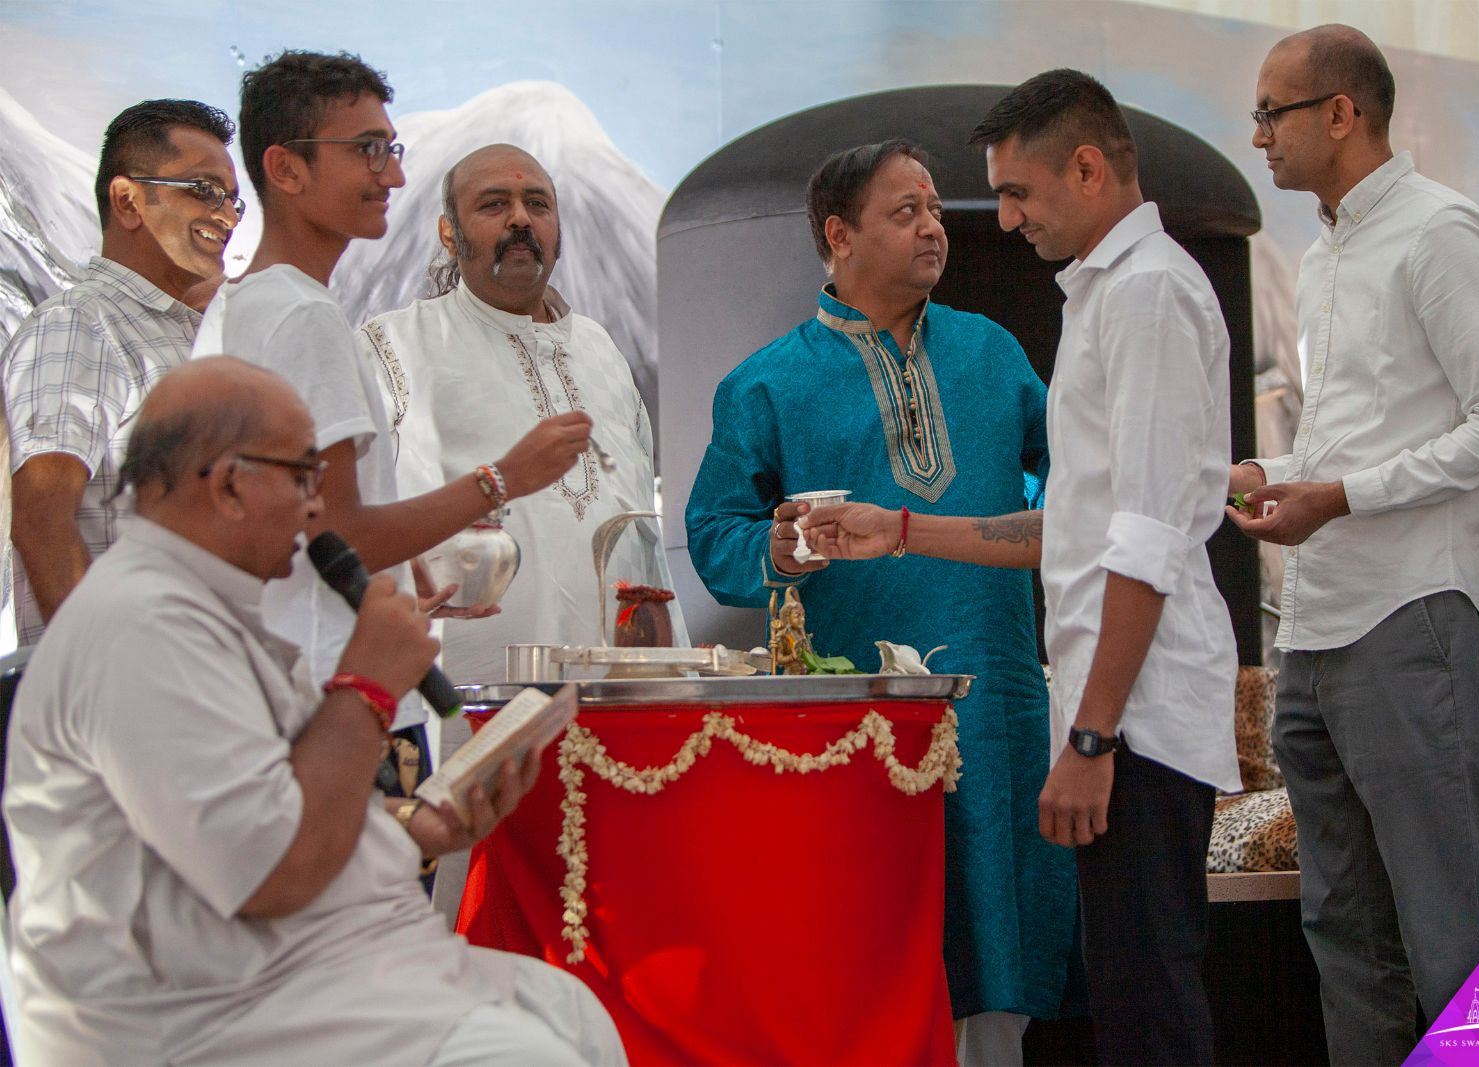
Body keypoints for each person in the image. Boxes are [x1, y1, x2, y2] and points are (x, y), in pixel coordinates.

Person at [2, 357, 624, 1065]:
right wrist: (367, 684)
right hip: (212, 1013)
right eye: (304, 476)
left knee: (571, 1013)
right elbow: (270, 869)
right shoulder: (140, 624)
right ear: (230, 485)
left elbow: (259, 797)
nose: (317, 507)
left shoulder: (204, 605)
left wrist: (411, 822)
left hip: (305, 973)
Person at [807, 70, 1242, 1065]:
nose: (1002, 219)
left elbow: (1143, 541)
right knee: (1130, 1003)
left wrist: (1091, 736)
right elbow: (1072, 528)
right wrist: (900, 528)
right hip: (1112, 710)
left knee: (1151, 1010)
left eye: (1016, 192)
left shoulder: (1146, 293)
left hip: (1134, 716)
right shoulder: (1105, 291)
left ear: (1087, 169)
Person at [685, 139, 1080, 1065]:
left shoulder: (991, 352)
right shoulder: (766, 382)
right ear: (839, 234)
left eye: (935, 209)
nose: (934, 227)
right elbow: (713, 532)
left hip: (994, 698)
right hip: (857, 724)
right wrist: (776, 548)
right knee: (872, 945)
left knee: (997, 942)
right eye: (907, 212)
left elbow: (1074, 476)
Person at [1228, 25, 1479, 1064]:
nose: (1258, 135)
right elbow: (1358, 437)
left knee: (1452, 928)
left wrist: (1341, 496)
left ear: (1340, 114)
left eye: (1271, 112)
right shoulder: (1324, 252)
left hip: (1413, 613)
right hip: (1317, 623)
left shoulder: (1440, 230)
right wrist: (1272, 475)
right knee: (1343, 931)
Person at [194, 52, 591, 730]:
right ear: (286, 168)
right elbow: (338, 532)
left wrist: (405, 568)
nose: (394, 176)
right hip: (337, 693)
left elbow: (303, 531)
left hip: (291, 684)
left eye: (392, 149)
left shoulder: (245, 304)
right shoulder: (304, 316)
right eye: (367, 151)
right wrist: (503, 478)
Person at [357, 143, 683, 683]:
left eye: (537, 204)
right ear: (447, 233)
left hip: (615, 688)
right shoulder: (392, 346)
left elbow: (642, 534)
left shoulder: (599, 348)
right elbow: (350, 524)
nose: (520, 219)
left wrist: (671, 671)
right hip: (464, 685)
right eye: (493, 204)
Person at [2, 98, 240, 645]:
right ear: (128, 200)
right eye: (203, 189)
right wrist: (109, 670)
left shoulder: (199, 333)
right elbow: (42, 520)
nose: (227, 216)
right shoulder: (80, 324)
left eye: (232, 200)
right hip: (134, 681)